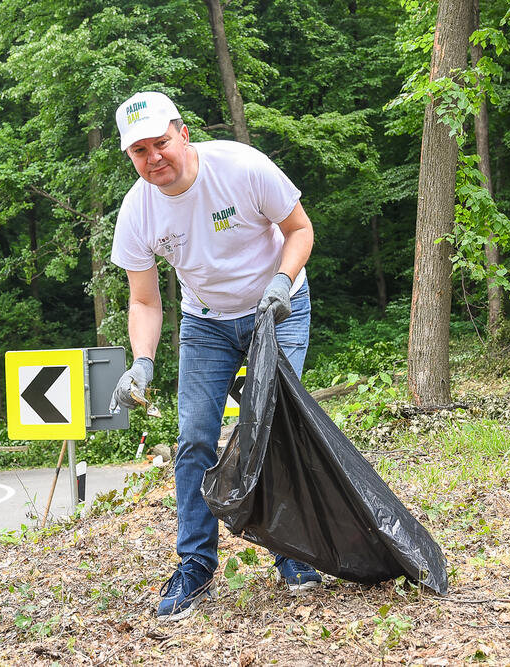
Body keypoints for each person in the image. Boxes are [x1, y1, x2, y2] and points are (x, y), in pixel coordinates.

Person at [109, 91, 318, 621]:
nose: (154, 158)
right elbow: (143, 299)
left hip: (278, 306)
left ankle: (293, 553)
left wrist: (281, 282)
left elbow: (300, 229)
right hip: (206, 323)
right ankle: (196, 568)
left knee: (270, 427)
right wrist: (142, 362)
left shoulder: (241, 168)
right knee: (195, 438)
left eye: (160, 142)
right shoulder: (138, 209)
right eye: (139, 151)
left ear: (182, 133)